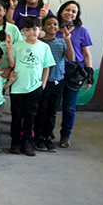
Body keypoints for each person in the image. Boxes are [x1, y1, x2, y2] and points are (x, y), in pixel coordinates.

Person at [9, 16, 55, 156]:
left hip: (35, 88)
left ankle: (27, 142)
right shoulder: (18, 46)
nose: (31, 32)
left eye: (34, 29)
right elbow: (12, 64)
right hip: (17, 87)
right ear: (23, 31)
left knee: (30, 117)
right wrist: (9, 49)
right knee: (17, 116)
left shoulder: (44, 47)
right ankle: (15, 142)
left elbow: (46, 67)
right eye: (27, 29)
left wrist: (43, 84)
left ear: (40, 29)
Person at [34, 15, 75, 152]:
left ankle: (48, 137)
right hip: (41, 82)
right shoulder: (38, 43)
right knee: (41, 110)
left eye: (55, 24)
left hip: (58, 81)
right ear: (43, 27)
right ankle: (38, 137)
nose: (52, 26)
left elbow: (71, 58)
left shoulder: (61, 42)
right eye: (49, 24)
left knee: (52, 111)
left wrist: (68, 40)